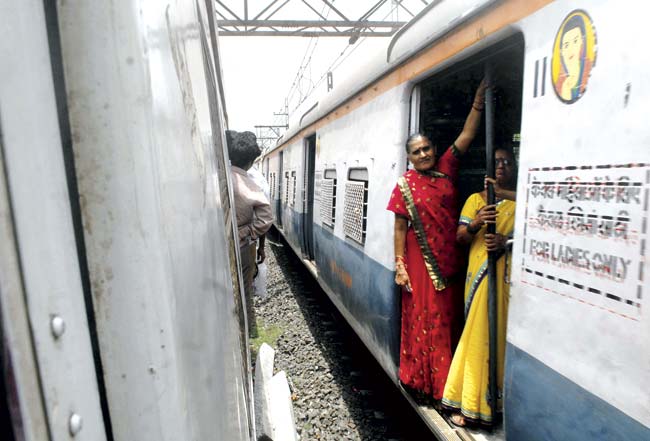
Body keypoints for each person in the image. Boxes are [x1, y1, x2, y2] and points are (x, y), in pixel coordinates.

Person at [386, 80, 487, 401]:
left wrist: (478, 103)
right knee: (424, 322)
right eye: (417, 152)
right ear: (409, 158)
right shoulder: (405, 186)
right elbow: (400, 230)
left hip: (453, 260)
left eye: (427, 148)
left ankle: (451, 385)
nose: (424, 154)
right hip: (421, 265)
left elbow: (466, 138)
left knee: (451, 322)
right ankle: (425, 384)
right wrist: (400, 266)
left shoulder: (446, 169)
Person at [442, 147, 517, 426]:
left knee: (500, 335)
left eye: (507, 162)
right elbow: (460, 237)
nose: (501, 166)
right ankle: (470, 400)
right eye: (496, 162)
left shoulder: (522, 202)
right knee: (477, 334)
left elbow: (533, 238)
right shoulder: (476, 200)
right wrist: (476, 222)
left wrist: (506, 243)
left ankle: (496, 403)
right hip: (479, 277)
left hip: (508, 280)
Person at [227, 130, 273, 337]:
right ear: (251, 161)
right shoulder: (253, 185)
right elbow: (265, 220)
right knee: (244, 290)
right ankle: (244, 332)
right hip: (243, 246)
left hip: (212, 243)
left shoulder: (215, 177)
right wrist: (245, 232)